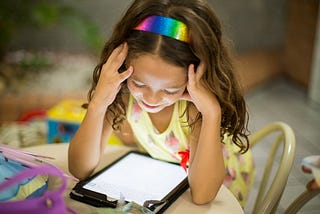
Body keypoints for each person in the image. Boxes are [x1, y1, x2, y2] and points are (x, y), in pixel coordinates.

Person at [68, 0, 254, 206]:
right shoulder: (121, 91)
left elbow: (202, 195)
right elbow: (79, 169)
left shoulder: (195, 108)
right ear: (123, 64)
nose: (151, 99)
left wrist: (212, 113)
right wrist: (98, 103)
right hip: (168, 176)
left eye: (170, 89)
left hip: (220, 188)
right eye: (139, 83)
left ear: (197, 75)